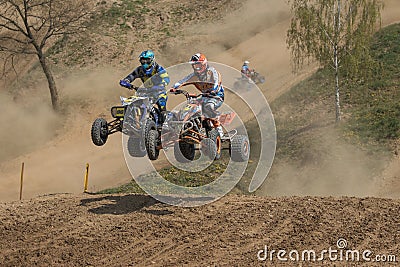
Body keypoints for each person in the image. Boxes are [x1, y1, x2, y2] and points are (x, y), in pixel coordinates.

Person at [170, 53, 225, 136]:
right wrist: (174, 87)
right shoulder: (194, 75)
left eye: (198, 65)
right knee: (190, 106)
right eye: (194, 65)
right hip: (204, 96)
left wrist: (214, 89)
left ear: (204, 64)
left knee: (208, 106)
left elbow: (217, 82)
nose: (196, 67)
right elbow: (183, 81)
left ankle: (218, 127)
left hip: (216, 96)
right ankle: (186, 125)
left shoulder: (212, 72)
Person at [119, 49, 170, 122]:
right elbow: (131, 76)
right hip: (146, 91)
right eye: (143, 60)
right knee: (133, 101)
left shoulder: (158, 68)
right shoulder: (140, 70)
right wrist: (126, 82)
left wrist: (162, 84)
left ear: (152, 60)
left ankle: (164, 124)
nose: (145, 62)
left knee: (161, 105)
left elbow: (166, 78)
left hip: (159, 91)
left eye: (147, 60)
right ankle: (129, 119)